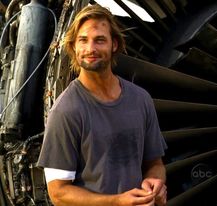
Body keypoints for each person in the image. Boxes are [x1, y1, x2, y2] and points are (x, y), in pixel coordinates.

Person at [37, 3, 167, 206]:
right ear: (73, 46)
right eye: (83, 40)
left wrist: (155, 182)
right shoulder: (65, 111)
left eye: (99, 40)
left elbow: (155, 164)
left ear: (114, 44)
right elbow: (59, 194)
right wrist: (117, 201)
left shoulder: (141, 99)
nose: (90, 49)